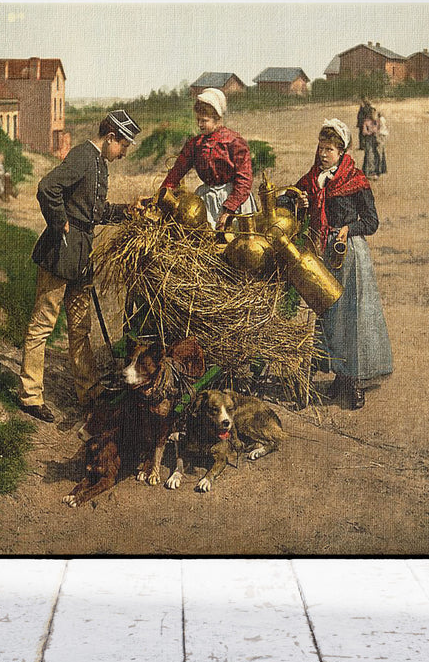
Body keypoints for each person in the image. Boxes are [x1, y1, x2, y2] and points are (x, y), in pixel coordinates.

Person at [18, 110, 142, 423]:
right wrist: (59, 221)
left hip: (81, 256)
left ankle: (89, 391)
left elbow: (93, 212)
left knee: (80, 327)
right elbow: (47, 187)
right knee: (43, 325)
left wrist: (126, 211)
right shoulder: (83, 156)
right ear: (111, 137)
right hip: (60, 253)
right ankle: (30, 396)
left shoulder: (99, 163)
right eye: (123, 146)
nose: (124, 153)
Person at [296, 119, 393, 409]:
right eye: (321, 148)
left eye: (330, 149)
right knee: (329, 316)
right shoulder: (313, 179)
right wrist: (301, 204)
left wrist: (349, 229)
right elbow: (295, 202)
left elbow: (372, 222)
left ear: (342, 152)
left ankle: (355, 382)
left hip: (350, 256)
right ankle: (339, 375)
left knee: (353, 317)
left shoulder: (355, 180)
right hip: (323, 255)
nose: (323, 154)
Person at [158, 87, 257, 228]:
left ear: (217, 119)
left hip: (234, 199)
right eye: (198, 120)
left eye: (204, 120)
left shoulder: (234, 142)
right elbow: (176, 173)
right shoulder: (195, 144)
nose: (199, 124)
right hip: (206, 200)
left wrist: (229, 208)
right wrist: (159, 196)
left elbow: (244, 179)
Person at [359, 102, 386, 179]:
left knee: (376, 155)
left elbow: (377, 129)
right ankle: (369, 172)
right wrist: (370, 132)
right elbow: (364, 132)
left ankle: (376, 171)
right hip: (369, 140)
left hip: (375, 139)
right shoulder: (366, 121)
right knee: (369, 156)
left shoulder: (376, 121)